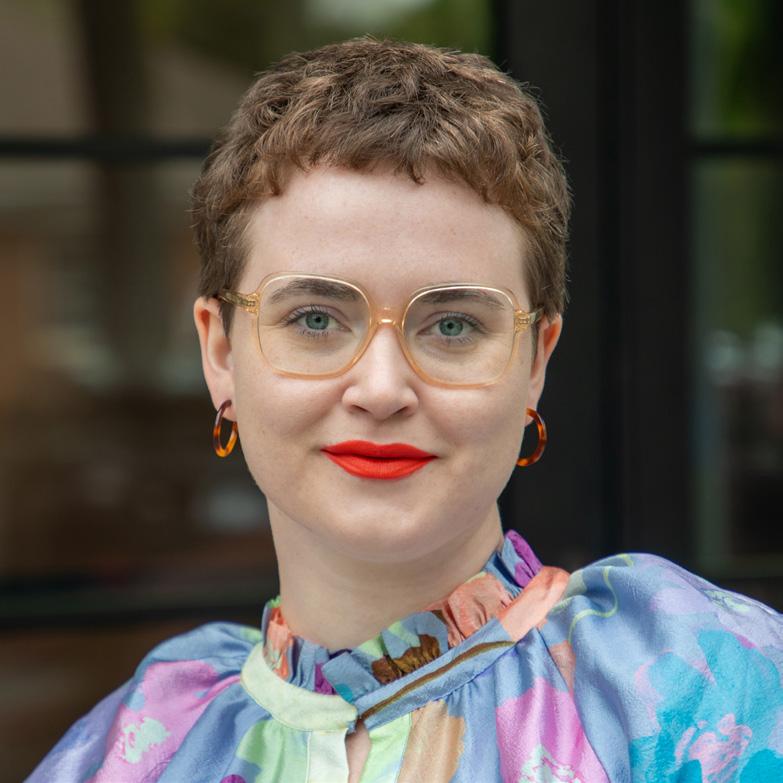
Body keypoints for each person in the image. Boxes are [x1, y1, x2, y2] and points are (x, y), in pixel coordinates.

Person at [28, 37, 783, 783]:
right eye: (316, 319)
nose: (382, 388)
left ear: (535, 362)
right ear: (220, 352)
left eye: (452, 324)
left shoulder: (695, 689)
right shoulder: (137, 749)